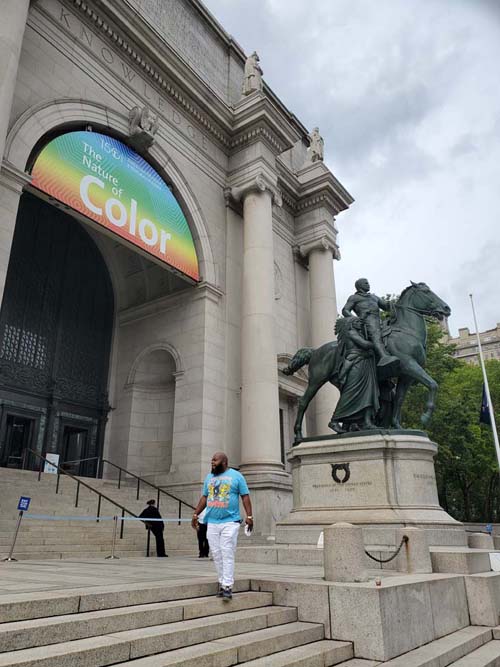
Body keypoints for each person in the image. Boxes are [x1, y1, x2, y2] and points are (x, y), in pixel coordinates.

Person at [192, 452, 253, 601]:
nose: (212, 462)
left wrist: (249, 516)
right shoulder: (209, 478)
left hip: (230, 521)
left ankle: (227, 586)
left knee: (227, 551)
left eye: (215, 460)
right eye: (211, 459)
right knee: (217, 554)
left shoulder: (236, 476)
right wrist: (195, 514)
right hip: (212, 522)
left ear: (224, 462)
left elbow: (245, 496)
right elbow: (205, 497)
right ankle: (222, 582)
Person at [329, 317, 380, 433]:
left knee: (369, 393)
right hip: (355, 363)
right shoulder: (351, 332)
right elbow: (365, 344)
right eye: (357, 322)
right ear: (351, 324)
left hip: (365, 364)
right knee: (350, 392)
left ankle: (367, 421)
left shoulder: (360, 333)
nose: (359, 324)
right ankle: (334, 420)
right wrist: (376, 341)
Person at [341, 278, 397, 369]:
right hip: (366, 321)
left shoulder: (374, 297)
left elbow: (385, 306)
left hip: (378, 320)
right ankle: (384, 356)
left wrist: (391, 304)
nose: (368, 284)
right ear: (359, 286)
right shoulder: (354, 298)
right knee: (375, 333)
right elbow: (345, 310)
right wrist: (356, 319)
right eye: (366, 283)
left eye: (368, 283)